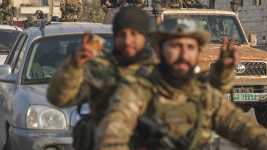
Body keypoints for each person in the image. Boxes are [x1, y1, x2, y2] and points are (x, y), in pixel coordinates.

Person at [47, 6, 235, 150]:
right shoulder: (100, 69)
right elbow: (59, 98)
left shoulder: (162, 67)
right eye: (122, 35)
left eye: (134, 34)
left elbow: (207, 92)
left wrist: (223, 72)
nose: (128, 41)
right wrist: (74, 66)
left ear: (145, 37)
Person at [96, 18, 267, 150]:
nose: (184, 55)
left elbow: (241, 127)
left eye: (190, 47)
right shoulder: (136, 91)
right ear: (159, 51)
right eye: (176, 46)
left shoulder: (203, 94)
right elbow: (112, 137)